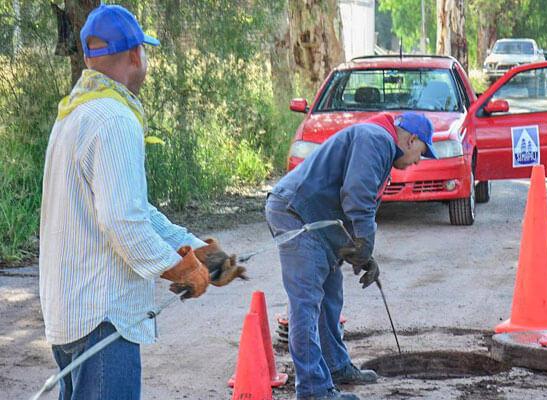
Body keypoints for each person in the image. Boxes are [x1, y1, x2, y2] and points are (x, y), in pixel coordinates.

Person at [39, 5, 244, 399]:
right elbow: (124, 221)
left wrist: (195, 248)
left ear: (87, 57)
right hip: (104, 318)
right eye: (145, 52)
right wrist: (178, 268)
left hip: (71, 318)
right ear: (136, 55)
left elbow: (135, 209)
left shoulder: (74, 115)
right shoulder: (115, 119)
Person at [265, 111, 436, 400]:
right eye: (422, 152)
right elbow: (357, 195)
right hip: (295, 212)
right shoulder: (377, 139)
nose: (419, 161)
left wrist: (363, 256)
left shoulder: (377, 140)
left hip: (315, 217)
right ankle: (312, 391)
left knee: (331, 295)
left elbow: (346, 202)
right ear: (412, 140)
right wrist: (365, 242)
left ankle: (335, 366)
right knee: (306, 303)